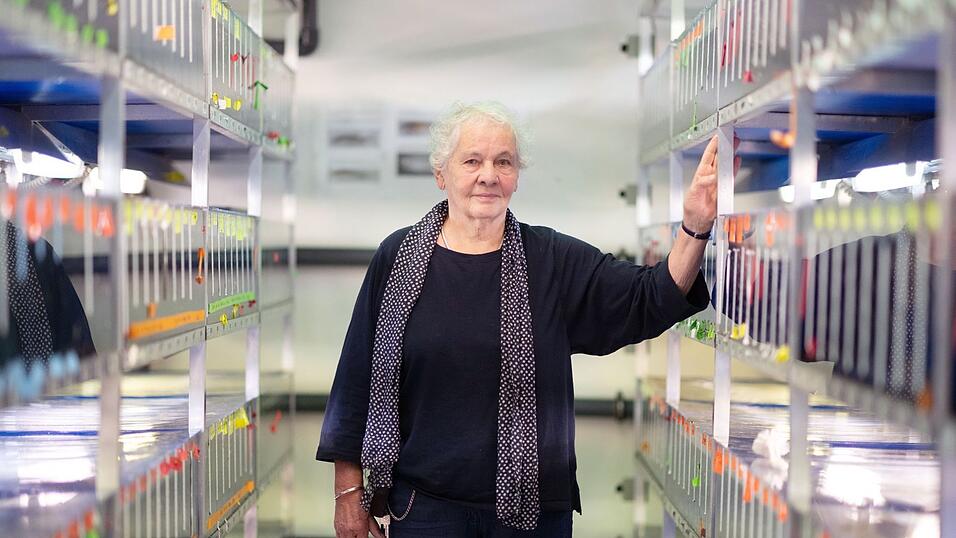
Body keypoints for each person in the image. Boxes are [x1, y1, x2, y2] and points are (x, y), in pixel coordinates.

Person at [316, 102, 735, 538]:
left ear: (517, 176)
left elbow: (650, 297)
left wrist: (694, 227)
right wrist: (348, 494)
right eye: (472, 161)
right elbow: (355, 379)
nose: (489, 175)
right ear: (442, 174)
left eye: (504, 162)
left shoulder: (550, 260)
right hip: (425, 511)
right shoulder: (397, 257)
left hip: (531, 516)